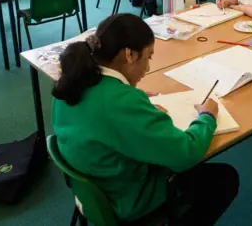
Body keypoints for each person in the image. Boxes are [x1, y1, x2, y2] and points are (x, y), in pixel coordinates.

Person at [52, 14, 239, 225]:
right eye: (148, 57)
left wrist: (135, 102)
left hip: (95, 188)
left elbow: (104, 119)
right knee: (225, 179)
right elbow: (187, 153)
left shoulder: (71, 82)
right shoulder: (122, 103)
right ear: (129, 54)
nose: (149, 67)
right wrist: (207, 116)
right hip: (129, 201)